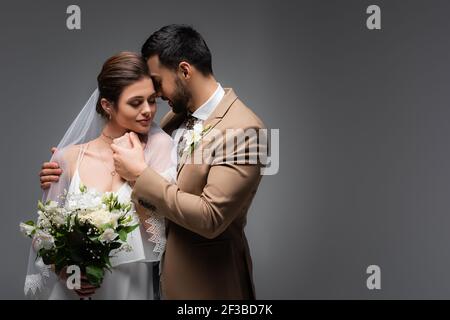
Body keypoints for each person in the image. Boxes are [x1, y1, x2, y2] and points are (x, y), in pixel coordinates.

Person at [41, 24, 266, 299]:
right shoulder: (173, 119)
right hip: (152, 282)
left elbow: (211, 217)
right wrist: (65, 169)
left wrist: (139, 174)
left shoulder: (243, 129)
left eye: (157, 84)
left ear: (184, 71)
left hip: (207, 286)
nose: (155, 98)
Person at [27, 51, 175, 299]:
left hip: (131, 287)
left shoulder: (160, 147)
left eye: (151, 100)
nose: (148, 110)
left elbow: (161, 236)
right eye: (136, 102)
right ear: (107, 105)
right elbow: (44, 235)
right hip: (75, 291)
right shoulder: (68, 158)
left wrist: (136, 175)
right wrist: (67, 271)